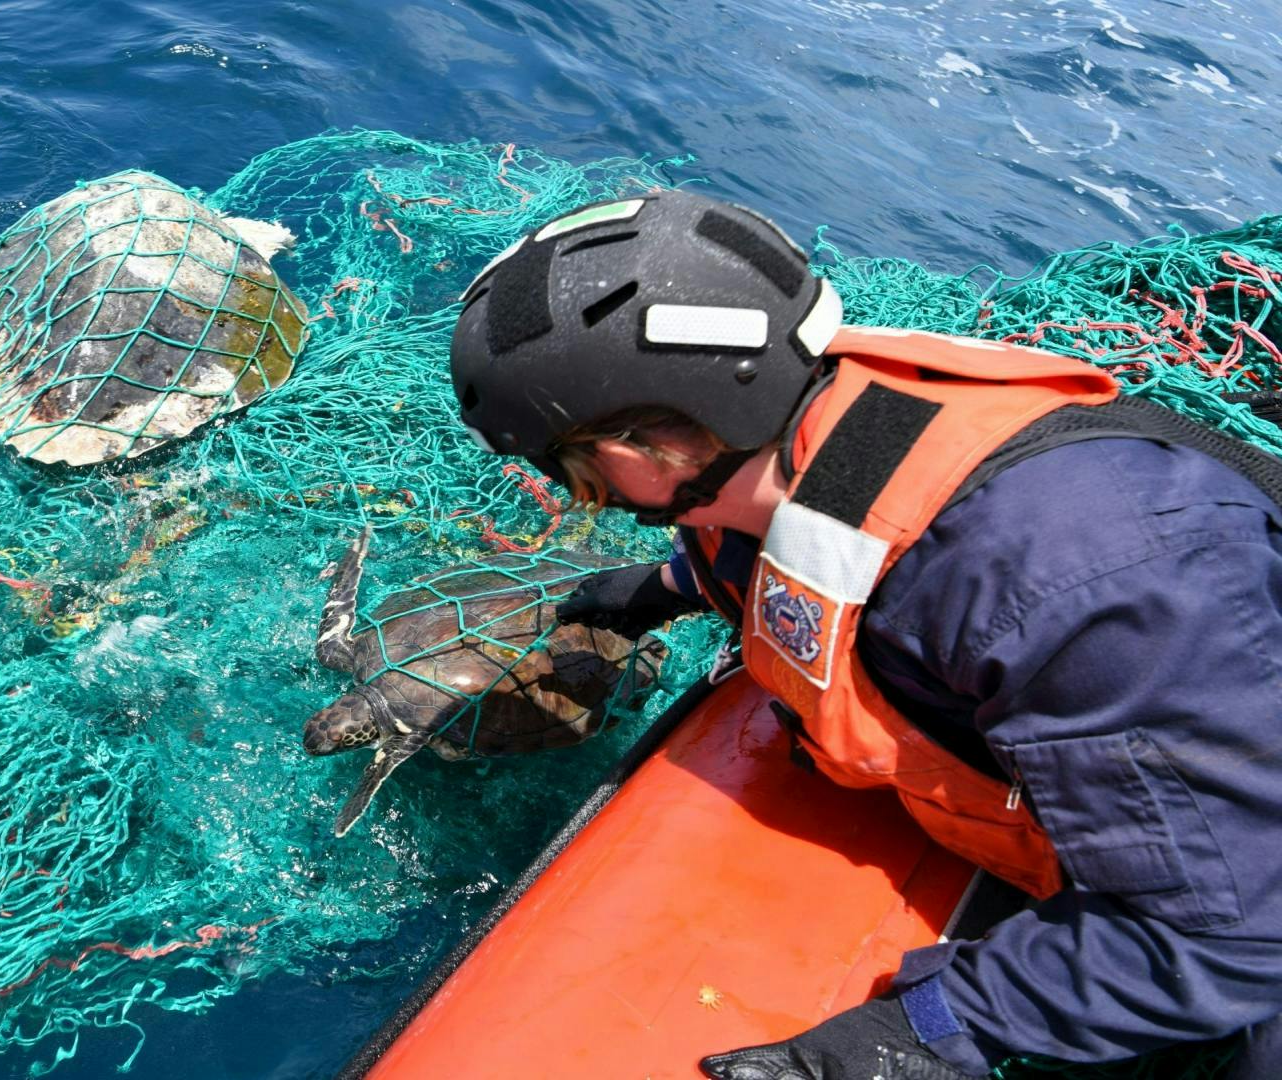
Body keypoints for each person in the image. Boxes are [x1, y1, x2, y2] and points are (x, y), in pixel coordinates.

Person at [447, 189, 1282, 1079]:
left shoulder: (1082, 582)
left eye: (562, 457)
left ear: (672, 433)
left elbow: (1233, 930)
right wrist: (661, 590)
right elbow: (823, 546)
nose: (559, 482)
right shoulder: (816, 442)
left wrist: (912, 1033)